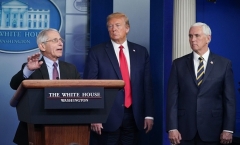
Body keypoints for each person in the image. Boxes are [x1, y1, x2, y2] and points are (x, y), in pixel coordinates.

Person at [83, 12, 154, 145]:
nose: (113, 29)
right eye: (110, 26)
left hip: (134, 116)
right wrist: (94, 116)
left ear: (127, 28)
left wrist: (148, 114)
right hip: (106, 118)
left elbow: (147, 86)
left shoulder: (140, 52)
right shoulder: (97, 52)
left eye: (117, 25)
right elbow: (90, 85)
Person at [166, 22, 236, 145]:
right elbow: (172, 98)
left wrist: (228, 129)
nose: (193, 39)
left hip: (213, 130)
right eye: (190, 36)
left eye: (197, 36)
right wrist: (172, 128)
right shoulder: (178, 64)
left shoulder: (224, 64)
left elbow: (229, 99)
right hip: (184, 130)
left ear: (208, 38)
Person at [10, 28, 81, 145]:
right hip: (35, 130)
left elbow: (81, 94)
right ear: (42, 46)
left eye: (60, 40)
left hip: (67, 130)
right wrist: (27, 70)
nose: (60, 43)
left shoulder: (70, 69)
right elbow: (13, 85)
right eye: (55, 40)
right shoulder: (32, 68)